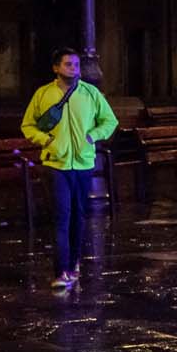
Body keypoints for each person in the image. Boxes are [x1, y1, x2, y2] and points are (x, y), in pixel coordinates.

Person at [20, 48, 119, 291]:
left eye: (76, 64)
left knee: (78, 216)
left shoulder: (90, 93)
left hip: (84, 164)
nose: (73, 68)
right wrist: (46, 141)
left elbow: (110, 120)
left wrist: (92, 136)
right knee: (62, 218)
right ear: (56, 68)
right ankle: (61, 271)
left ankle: (74, 263)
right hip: (56, 164)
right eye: (68, 64)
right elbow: (28, 125)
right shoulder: (43, 94)